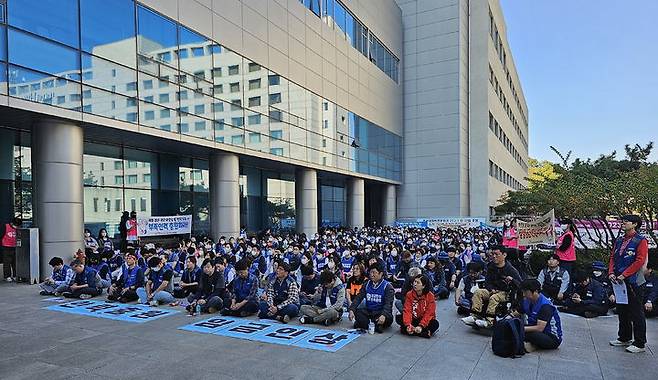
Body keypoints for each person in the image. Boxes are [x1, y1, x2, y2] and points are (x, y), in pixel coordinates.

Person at [608, 215, 648, 353]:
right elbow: (613, 257)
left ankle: (640, 343)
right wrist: (611, 273)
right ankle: (624, 337)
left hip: (634, 282)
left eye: (626, 222)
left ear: (635, 224)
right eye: (622, 221)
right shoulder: (619, 240)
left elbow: (639, 261)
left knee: (636, 312)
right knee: (622, 309)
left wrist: (624, 274)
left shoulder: (640, 240)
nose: (623, 224)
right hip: (619, 282)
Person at [461, 245, 522, 328]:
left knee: (494, 298)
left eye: (497, 254)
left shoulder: (511, 269)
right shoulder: (491, 266)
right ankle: (474, 316)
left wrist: (512, 280)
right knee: (478, 292)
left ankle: (490, 321)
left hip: (506, 293)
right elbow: (487, 281)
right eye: (492, 254)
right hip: (492, 290)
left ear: (504, 255)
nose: (494, 256)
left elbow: (520, 284)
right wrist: (491, 289)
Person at [349, 262, 395, 333]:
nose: (371, 275)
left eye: (374, 272)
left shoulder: (387, 286)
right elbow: (358, 298)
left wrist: (383, 315)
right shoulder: (366, 284)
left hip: (380, 312)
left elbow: (388, 304)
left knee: (388, 318)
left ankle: (365, 325)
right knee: (357, 312)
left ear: (381, 274)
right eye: (370, 272)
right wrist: (352, 309)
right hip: (369, 312)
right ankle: (375, 326)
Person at [519, 279, 563, 352]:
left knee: (526, 333)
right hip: (536, 330)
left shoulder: (545, 305)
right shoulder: (527, 301)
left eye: (526, 292)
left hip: (551, 337)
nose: (524, 295)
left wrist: (520, 328)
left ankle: (533, 345)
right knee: (514, 328)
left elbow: (539, 328)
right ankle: (532, 345)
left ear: (535, 291)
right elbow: (517, 312)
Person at [1, 217, 21, 281]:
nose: (16, 227)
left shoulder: (18, 229)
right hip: (6, 247)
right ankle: (7, 276)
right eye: (16, 225)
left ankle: (16, 275)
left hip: (15, 247)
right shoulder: (5, 226)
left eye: (18, 226)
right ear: (12, 223)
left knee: (15, 262)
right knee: (7, 263)